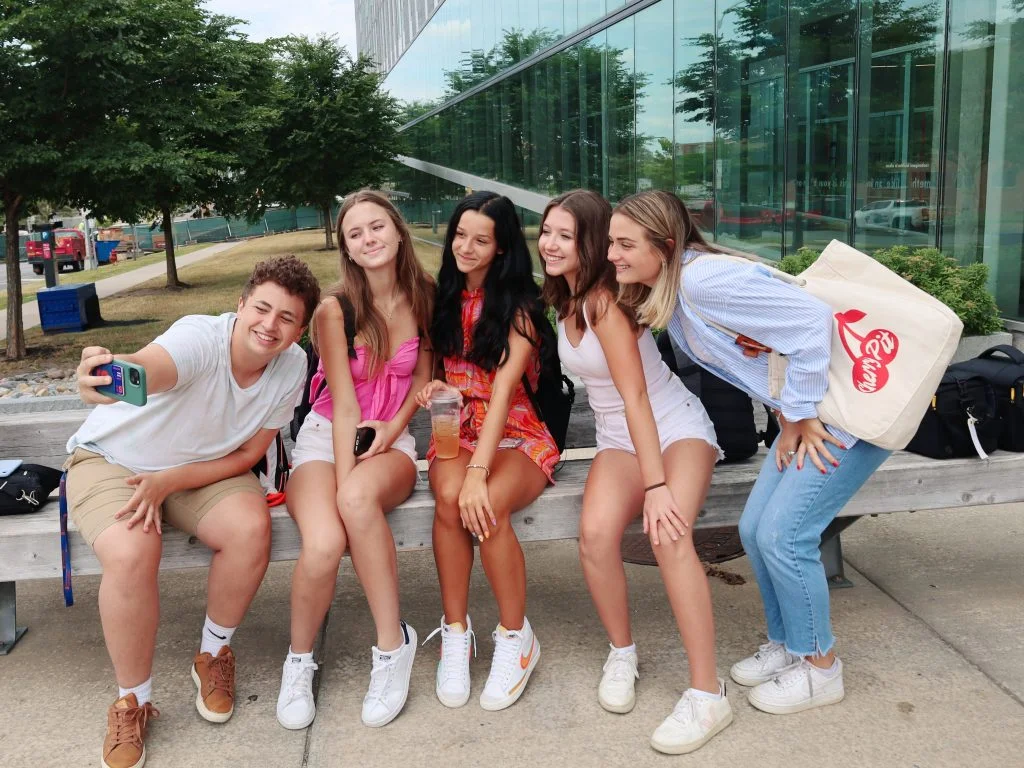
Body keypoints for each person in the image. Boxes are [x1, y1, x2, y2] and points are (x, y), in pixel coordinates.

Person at [611, 190, 892, 717]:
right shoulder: (680, 288)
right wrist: (789, 416)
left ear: (666, 245)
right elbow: (768, 346)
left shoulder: (702, 280)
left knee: (786, 536)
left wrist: (801, 412)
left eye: (625, 244)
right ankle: (790, 645)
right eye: (609, 242)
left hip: (843, 420)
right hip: (809, 419)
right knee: (753, 531)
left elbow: (812, 324)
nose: (612, 254)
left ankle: (820, 667)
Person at [66, 255, 320, 768]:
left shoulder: (293, 365)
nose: (270, 326)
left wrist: (171, 481)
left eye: (287, 318)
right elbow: (146, 371)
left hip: (194, 471)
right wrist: (106, 372)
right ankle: (131, 701)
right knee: (134, 550)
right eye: (262, 309)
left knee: (251, 529)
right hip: (115, 460)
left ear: (301, 329)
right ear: (241, 304)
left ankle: (212, 654)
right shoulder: (200, 338)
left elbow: (250, 454)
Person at [539, 189, 732, 754]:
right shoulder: (566, 298)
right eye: (546, 230)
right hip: (620, 440)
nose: (549, 242)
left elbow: (639, 399)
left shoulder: (603, 302)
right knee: (595, 537)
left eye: (565, 234)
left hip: (674, 429)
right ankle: (622, 653)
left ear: (592, 242)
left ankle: (707, 693)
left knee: (669, 536)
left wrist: (656, 487)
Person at [276, 190, 434, 730]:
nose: (369, 239)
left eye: (377, 227)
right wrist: (345, 480)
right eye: (355, 233)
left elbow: (420, 380)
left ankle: (392, 647)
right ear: (346, 246)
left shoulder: (425, 295)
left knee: (360, 497)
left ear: (397, 228)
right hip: (327, 439)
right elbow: (343, 407)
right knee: (324, 541)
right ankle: (298, 663)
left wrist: (392, 429)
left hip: (393, 441)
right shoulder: (333, 309)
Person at [415, 191, 558, 712]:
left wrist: (479, 471)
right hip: (456, 427)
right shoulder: (442, 298)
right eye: (460, 235)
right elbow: (437, 371)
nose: (466, 247)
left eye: (481, 240)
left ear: (501, 249)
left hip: (516, 431)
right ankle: (456, 633)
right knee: (451, 503)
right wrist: (431, 388)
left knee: (486, 505)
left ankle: (516, 637)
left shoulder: (521, 308)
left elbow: (502, 394)